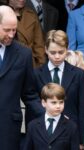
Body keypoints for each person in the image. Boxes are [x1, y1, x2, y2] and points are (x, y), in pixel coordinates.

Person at [34, 30, 84, 150]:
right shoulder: (36, 74)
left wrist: (82, 140)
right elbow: (33, 101)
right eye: (53, 52)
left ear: (67, 49)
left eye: (61, 52)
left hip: (71, 134)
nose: (57, 56)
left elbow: (83, 108)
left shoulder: (78, 74)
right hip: (44, 132)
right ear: (46, 50)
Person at [0, 5, 43, 150]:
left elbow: (29, 94)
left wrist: (48, 114)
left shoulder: (23, 54)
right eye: (7, 30)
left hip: (9, 129)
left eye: (14, 30)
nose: (12, 35)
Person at [23, 83, 80, 150]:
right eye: (54, 102)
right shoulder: (33, 126)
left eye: (61, 102)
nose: (58, 106)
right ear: (43, 103)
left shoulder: (71, 126)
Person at [9, 0, 46, 68]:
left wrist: (42, 68)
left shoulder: (31, 14)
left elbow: (39, 45)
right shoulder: (2, 14)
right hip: (11, 64)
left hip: (31, 64)